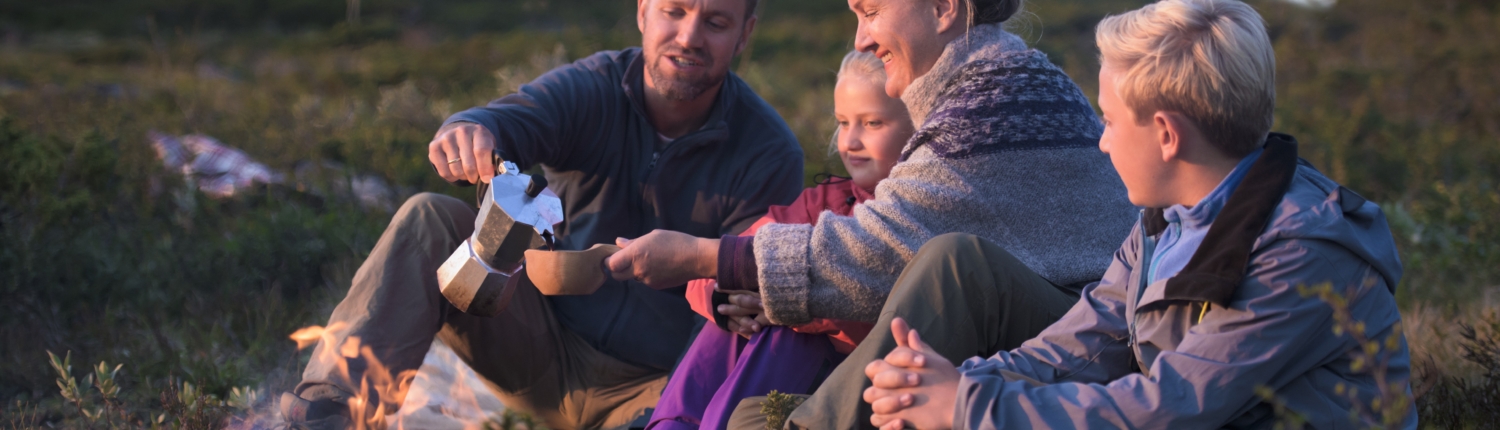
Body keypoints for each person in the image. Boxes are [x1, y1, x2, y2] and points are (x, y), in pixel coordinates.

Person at [856, 0, 1416, 428]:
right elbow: (1082, 344)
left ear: (1167, 135)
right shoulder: (1166, 220)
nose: (1102, 142)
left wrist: (967, 406)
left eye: (1111, 121)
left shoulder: (1299, 251)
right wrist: (948, 384)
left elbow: (1172, 406)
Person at [277, 0, 807, 428]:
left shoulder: (768, 150)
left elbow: (746, 279)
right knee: (430, 218)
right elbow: (510, 119)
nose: (690, 36)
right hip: (535, 346)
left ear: (745, 35)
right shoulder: (599, 87)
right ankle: (331, 407)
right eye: (674, 10)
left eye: (716, 23)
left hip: (653, 386)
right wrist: (471, 130)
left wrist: (715, 286)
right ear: (643, 11)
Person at [611, 0, 1139, 427]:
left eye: (870, 11)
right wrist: (726, 272)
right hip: (1072, 319)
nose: (861, 37)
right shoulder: (999, 80)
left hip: (1092, 336)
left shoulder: (989, 105)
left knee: (955, 266)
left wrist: (700, 257)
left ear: (943, 8)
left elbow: (874, 253)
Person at [648, 50, 914, 430]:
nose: (851, 140)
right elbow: (720, 260)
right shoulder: (822, 203)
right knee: (732, 315)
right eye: (842, 122)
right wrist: (726, 300)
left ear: (918, 130)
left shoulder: (916, 214)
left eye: (872, 123)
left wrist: (785, 303)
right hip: (789, 373)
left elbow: (881, 313)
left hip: (854, 379)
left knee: (789, 328)